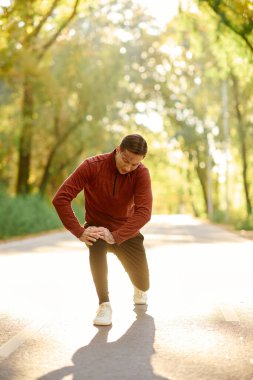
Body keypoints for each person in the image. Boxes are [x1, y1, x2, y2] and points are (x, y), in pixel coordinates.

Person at [52, 134, 152, 326]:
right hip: (97, 227)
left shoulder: (141, 174)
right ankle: (104, 305)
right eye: (126, 160)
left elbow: (144, 212)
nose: (128, 167)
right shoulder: (92, 166)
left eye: (135, 164)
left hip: (126, 231)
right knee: (95, 238)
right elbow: (61, 198)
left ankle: (138, 287)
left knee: (144, 284)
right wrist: (79, 231)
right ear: (118, 149)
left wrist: (116, 236)